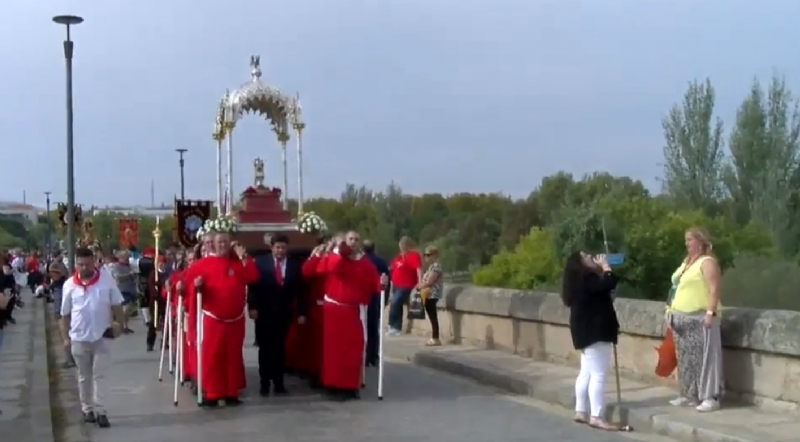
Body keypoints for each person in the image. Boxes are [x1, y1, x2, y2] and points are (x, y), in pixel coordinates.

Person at [184, 229, 259, 406]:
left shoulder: (237, 264)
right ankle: (212, 393)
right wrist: (196, 287)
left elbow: (253, 277)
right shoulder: (201, 265)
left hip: (235, 318)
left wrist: (244, 256)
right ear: (213, 245)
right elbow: (189, 289)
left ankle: (231, 392)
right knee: (212, 356)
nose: (222, 245)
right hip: (212, 318)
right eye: (219, 242)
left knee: (232, 357)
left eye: (225, 242)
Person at [60, 247, 125, 428]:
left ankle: (101, 411)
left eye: (88, 264)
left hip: (102, 336)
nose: (84, 268)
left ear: (94, 262)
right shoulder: (69, 285)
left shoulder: (106, 281)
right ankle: (87, 409)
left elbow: (117, 305)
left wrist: (119, 325)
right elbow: (64, 314)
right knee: (84, 376)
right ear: (76, 264)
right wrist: (65, 338)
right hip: (79, 337)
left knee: (100, 375)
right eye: (81, 264)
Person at [317, 230, 380, 401]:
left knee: (352, 349)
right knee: (333, 350)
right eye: (350, 239)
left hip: (352, 310)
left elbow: (374, 283)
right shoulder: (337, 257)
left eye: (356, 239)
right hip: (334, 308)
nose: (353, 242)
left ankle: (350, 385)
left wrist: (382, 283)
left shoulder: (365, 263)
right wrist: (338, 249)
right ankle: (332, 384)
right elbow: (332, 267)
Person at [666, 227, 723, 412]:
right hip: (681, 317)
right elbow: (676, 287)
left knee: (706, 359)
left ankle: (710, 396)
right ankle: (690, 394)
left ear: (700, 242)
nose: (686, 243)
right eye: (686, 240)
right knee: (686, 359)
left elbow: (714, 289)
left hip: (701, 317)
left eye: (690, 240)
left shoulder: (707, 262)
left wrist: (710, 313)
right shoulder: (687, 263)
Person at [561, 251, 620, 431]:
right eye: (586, 256)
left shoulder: (576, 281)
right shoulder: (588, 278)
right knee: (598, 374)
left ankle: (581, 410)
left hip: (584, 331)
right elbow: (608, 284)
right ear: (581, 263)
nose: (591, 257)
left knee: (586, 372)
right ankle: (596, 416)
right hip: (596, 330)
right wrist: (606, 268)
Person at [248, 234, 304, 396]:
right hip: (264, 312)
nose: (280, 251)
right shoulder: (260, 262)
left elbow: (299, 291)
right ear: (272, 247)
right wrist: (252, 307)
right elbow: (253, 287)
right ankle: (264, 383)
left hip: (284, 312)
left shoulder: (294, 265)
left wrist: (301, 311)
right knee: (265, 349)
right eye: (277, 247)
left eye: (283, 248)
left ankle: (279, 383)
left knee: (280, 349)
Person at [301, 238, 329, 388]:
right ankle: (316, 373)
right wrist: (316, 256)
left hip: (333, 307)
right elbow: (306, 272)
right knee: (316, 345)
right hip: (318, 307)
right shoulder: (317, 259)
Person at [387, 236, 422, 336]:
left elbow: (418, 269)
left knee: (395, 302)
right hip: (396, 284)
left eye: (403, 245)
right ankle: (396, 327)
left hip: (406, 285)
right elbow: (392, 268)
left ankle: (393, 325)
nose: (401, 247)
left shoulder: (413, 256)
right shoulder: (398, 257)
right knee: (397, 305)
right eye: (400, 245)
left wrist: (420, 282)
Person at [362, 240, 389, 365]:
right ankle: (374, 356)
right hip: (376, 297)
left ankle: (365, 355)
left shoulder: (361, 261)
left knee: (364, 327)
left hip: (364, 297)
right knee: (373, 327)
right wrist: (385, 299)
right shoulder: (381, 262)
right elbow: (387, 283)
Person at [418, 245, 444, 346]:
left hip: (432, 294)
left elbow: (430, 281)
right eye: (425, 255)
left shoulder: (436, 267)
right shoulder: (431, 267)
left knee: (433, 316)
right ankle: (434, 337)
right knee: (431, 316)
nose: (426, 257)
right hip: (428, 294)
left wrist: (420, 286)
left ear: (435, 255)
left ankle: (435, 338)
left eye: (428, 255)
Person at [109, 251, 137, 334]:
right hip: (121, 289)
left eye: (128, 257)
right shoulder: (116, 266)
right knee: (124, 308)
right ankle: (121, 325)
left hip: (130, 289)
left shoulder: (129, 266)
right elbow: (117, 277)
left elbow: (134, 275)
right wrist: (129, 275)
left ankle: (125, 325)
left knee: (127, 309)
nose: (127, 259)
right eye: (125, 257)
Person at [145, 256, 168, 352]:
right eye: (159, 263)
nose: (161, 265)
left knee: (166, 322)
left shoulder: (166, 274)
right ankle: (150, 343)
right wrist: (155, 293)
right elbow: (151, 286)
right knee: (154, 323)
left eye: (163, 263)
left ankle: (165, 342)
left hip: (165, 301)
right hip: (155, 301)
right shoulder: (153, 274)